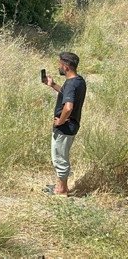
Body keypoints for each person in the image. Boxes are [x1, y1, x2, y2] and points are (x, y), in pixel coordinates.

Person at [44, 52, 87, 196]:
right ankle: (61, 186)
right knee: (61, 155)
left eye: (60, 64)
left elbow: (68, 107)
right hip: (72, 125)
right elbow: (66, 93)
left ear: (66, 66)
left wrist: (60, 121)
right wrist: (53, 85)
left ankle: (61, 190)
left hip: (65, 127)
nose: (59, 67)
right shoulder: (79, 81)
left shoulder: (71, 84)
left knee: (59, 157)